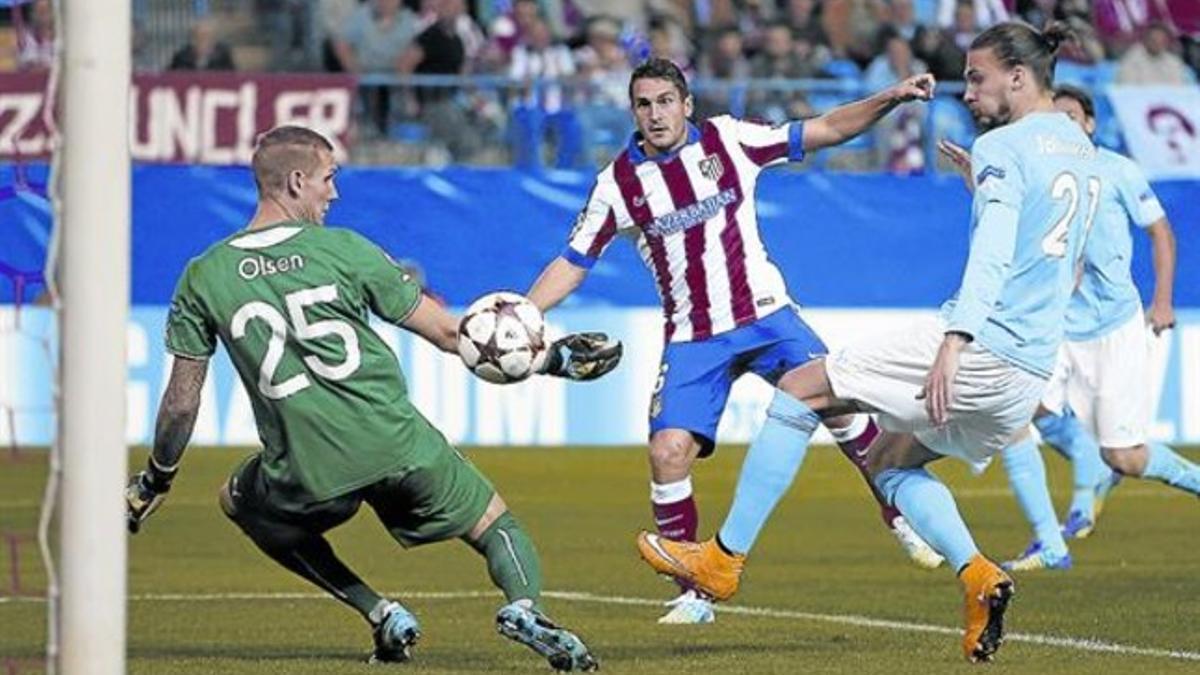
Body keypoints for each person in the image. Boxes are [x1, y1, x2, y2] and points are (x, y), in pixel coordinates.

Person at [637, 22, 1097, 662]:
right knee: (889, 463)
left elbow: (991, 258)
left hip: (980, 344)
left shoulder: (1004, 146)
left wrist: (955, 342)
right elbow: (1061, 252)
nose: (966, 92)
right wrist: (981, 189)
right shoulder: (1078, 147)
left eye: (976, 77)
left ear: (1018, 77)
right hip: (1029, 371)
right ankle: (977, 575)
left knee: (801, 390)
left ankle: (721, 560)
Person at [124, 125, 620, 671]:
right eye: (328, 178)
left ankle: (380, 611)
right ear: (296, 181)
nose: (333, 193)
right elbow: (452, 335)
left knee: (236, 501)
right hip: (396, 443)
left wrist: (156, 479)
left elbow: (180, 402)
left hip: (305, 470)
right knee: (497, 527)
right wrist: (553, 358)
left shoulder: (203, 276)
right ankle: (524, 607)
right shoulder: (346, 250)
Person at [526, 57, 942, 625]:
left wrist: (890, 97)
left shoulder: (730, 140)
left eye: (665, 101)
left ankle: (900, 515)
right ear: (633, 112)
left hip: (768, 316)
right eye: (644, 104)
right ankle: (693, 590)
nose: (655, 114)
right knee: (667, 452)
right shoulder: (617, 183)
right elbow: (574, 262)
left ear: (687, 104)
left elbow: (826, 129)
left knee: (843, 411)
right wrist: (526, 312)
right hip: (695, 338)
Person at [938, 84, 1181, 571]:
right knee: (1018, 417)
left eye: (1073, 120)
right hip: (1057, 323)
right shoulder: (1037, 167)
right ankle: (1052, 543)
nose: (1062, 129)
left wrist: (1162, 301)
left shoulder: (1116, 170)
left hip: (1113, 323)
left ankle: (1113, 474)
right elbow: (1019, 226)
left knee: (1126, 458)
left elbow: (1159, 232)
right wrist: (976, 183)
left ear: (1090, 125)